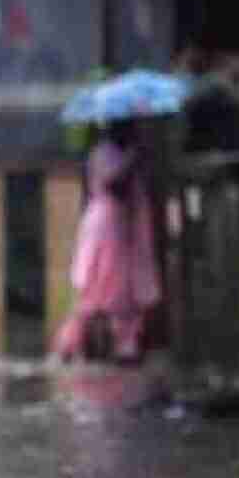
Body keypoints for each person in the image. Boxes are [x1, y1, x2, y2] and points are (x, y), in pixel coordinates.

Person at [53, 121, 161, 364]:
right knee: (97, 290)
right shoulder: (103, 153)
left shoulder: (128, 155)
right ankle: (70, 343)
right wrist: (132, 160)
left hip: (126, 229)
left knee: (127, 291)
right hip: (107, 227)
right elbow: (113, 185)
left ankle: (127, 346)